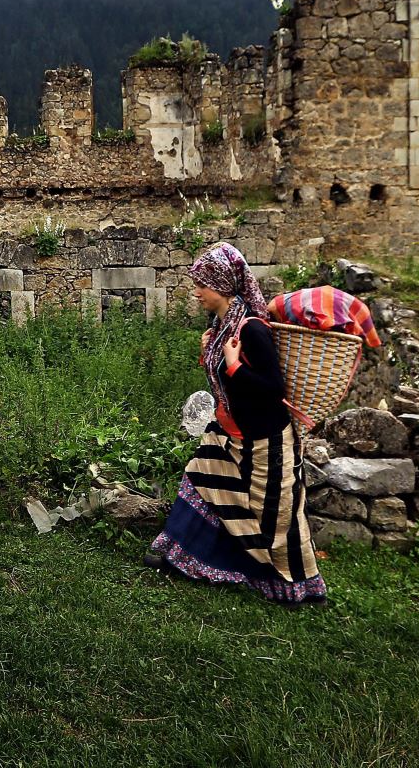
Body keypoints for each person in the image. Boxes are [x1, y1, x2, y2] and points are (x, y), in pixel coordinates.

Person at [145, 241, 327, 605]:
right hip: (228, 431)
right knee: (199, 480)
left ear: (223, 286)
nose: (196, 292)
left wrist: (234, 365)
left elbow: (272, 388)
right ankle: (179, 554)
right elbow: (227, 383)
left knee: (275, 522)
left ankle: (297, 588)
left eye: (202, 285)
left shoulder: (253, 330)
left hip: (266, 441)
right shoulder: (221, 325)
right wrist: (211, 352)